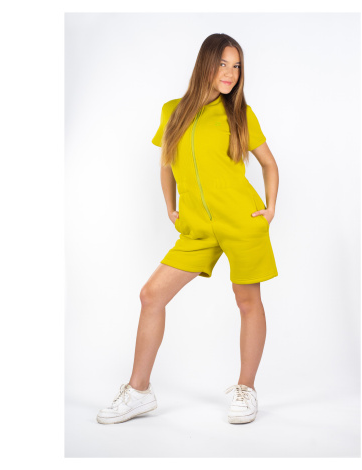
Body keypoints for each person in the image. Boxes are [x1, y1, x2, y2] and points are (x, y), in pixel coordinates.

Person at [97, 33, 279, 425]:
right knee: (151, 296)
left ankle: (246, 388)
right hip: (197, 228)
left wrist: (269, 209)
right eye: (223, 64)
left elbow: (269, 163)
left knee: (247, 301)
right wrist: (170, 207)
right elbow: (166, 163)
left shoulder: (240, 114)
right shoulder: (173, 111)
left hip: (242, 222)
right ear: (205, 64)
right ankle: (139, 392)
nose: (230, 73)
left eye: (237, 66)